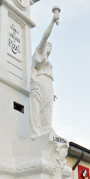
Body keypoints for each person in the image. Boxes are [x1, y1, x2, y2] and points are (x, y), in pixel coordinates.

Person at [29, 7, 60, 137]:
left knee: (48, 105)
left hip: (48, 81)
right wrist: (52, 21)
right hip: (41, 79)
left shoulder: (47, 61)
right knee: (41, 105)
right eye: (48, 45)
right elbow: (44, 37)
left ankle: (47, 127)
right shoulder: (39, 52)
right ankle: (40, 129)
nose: (49, 46)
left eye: (51, 46)